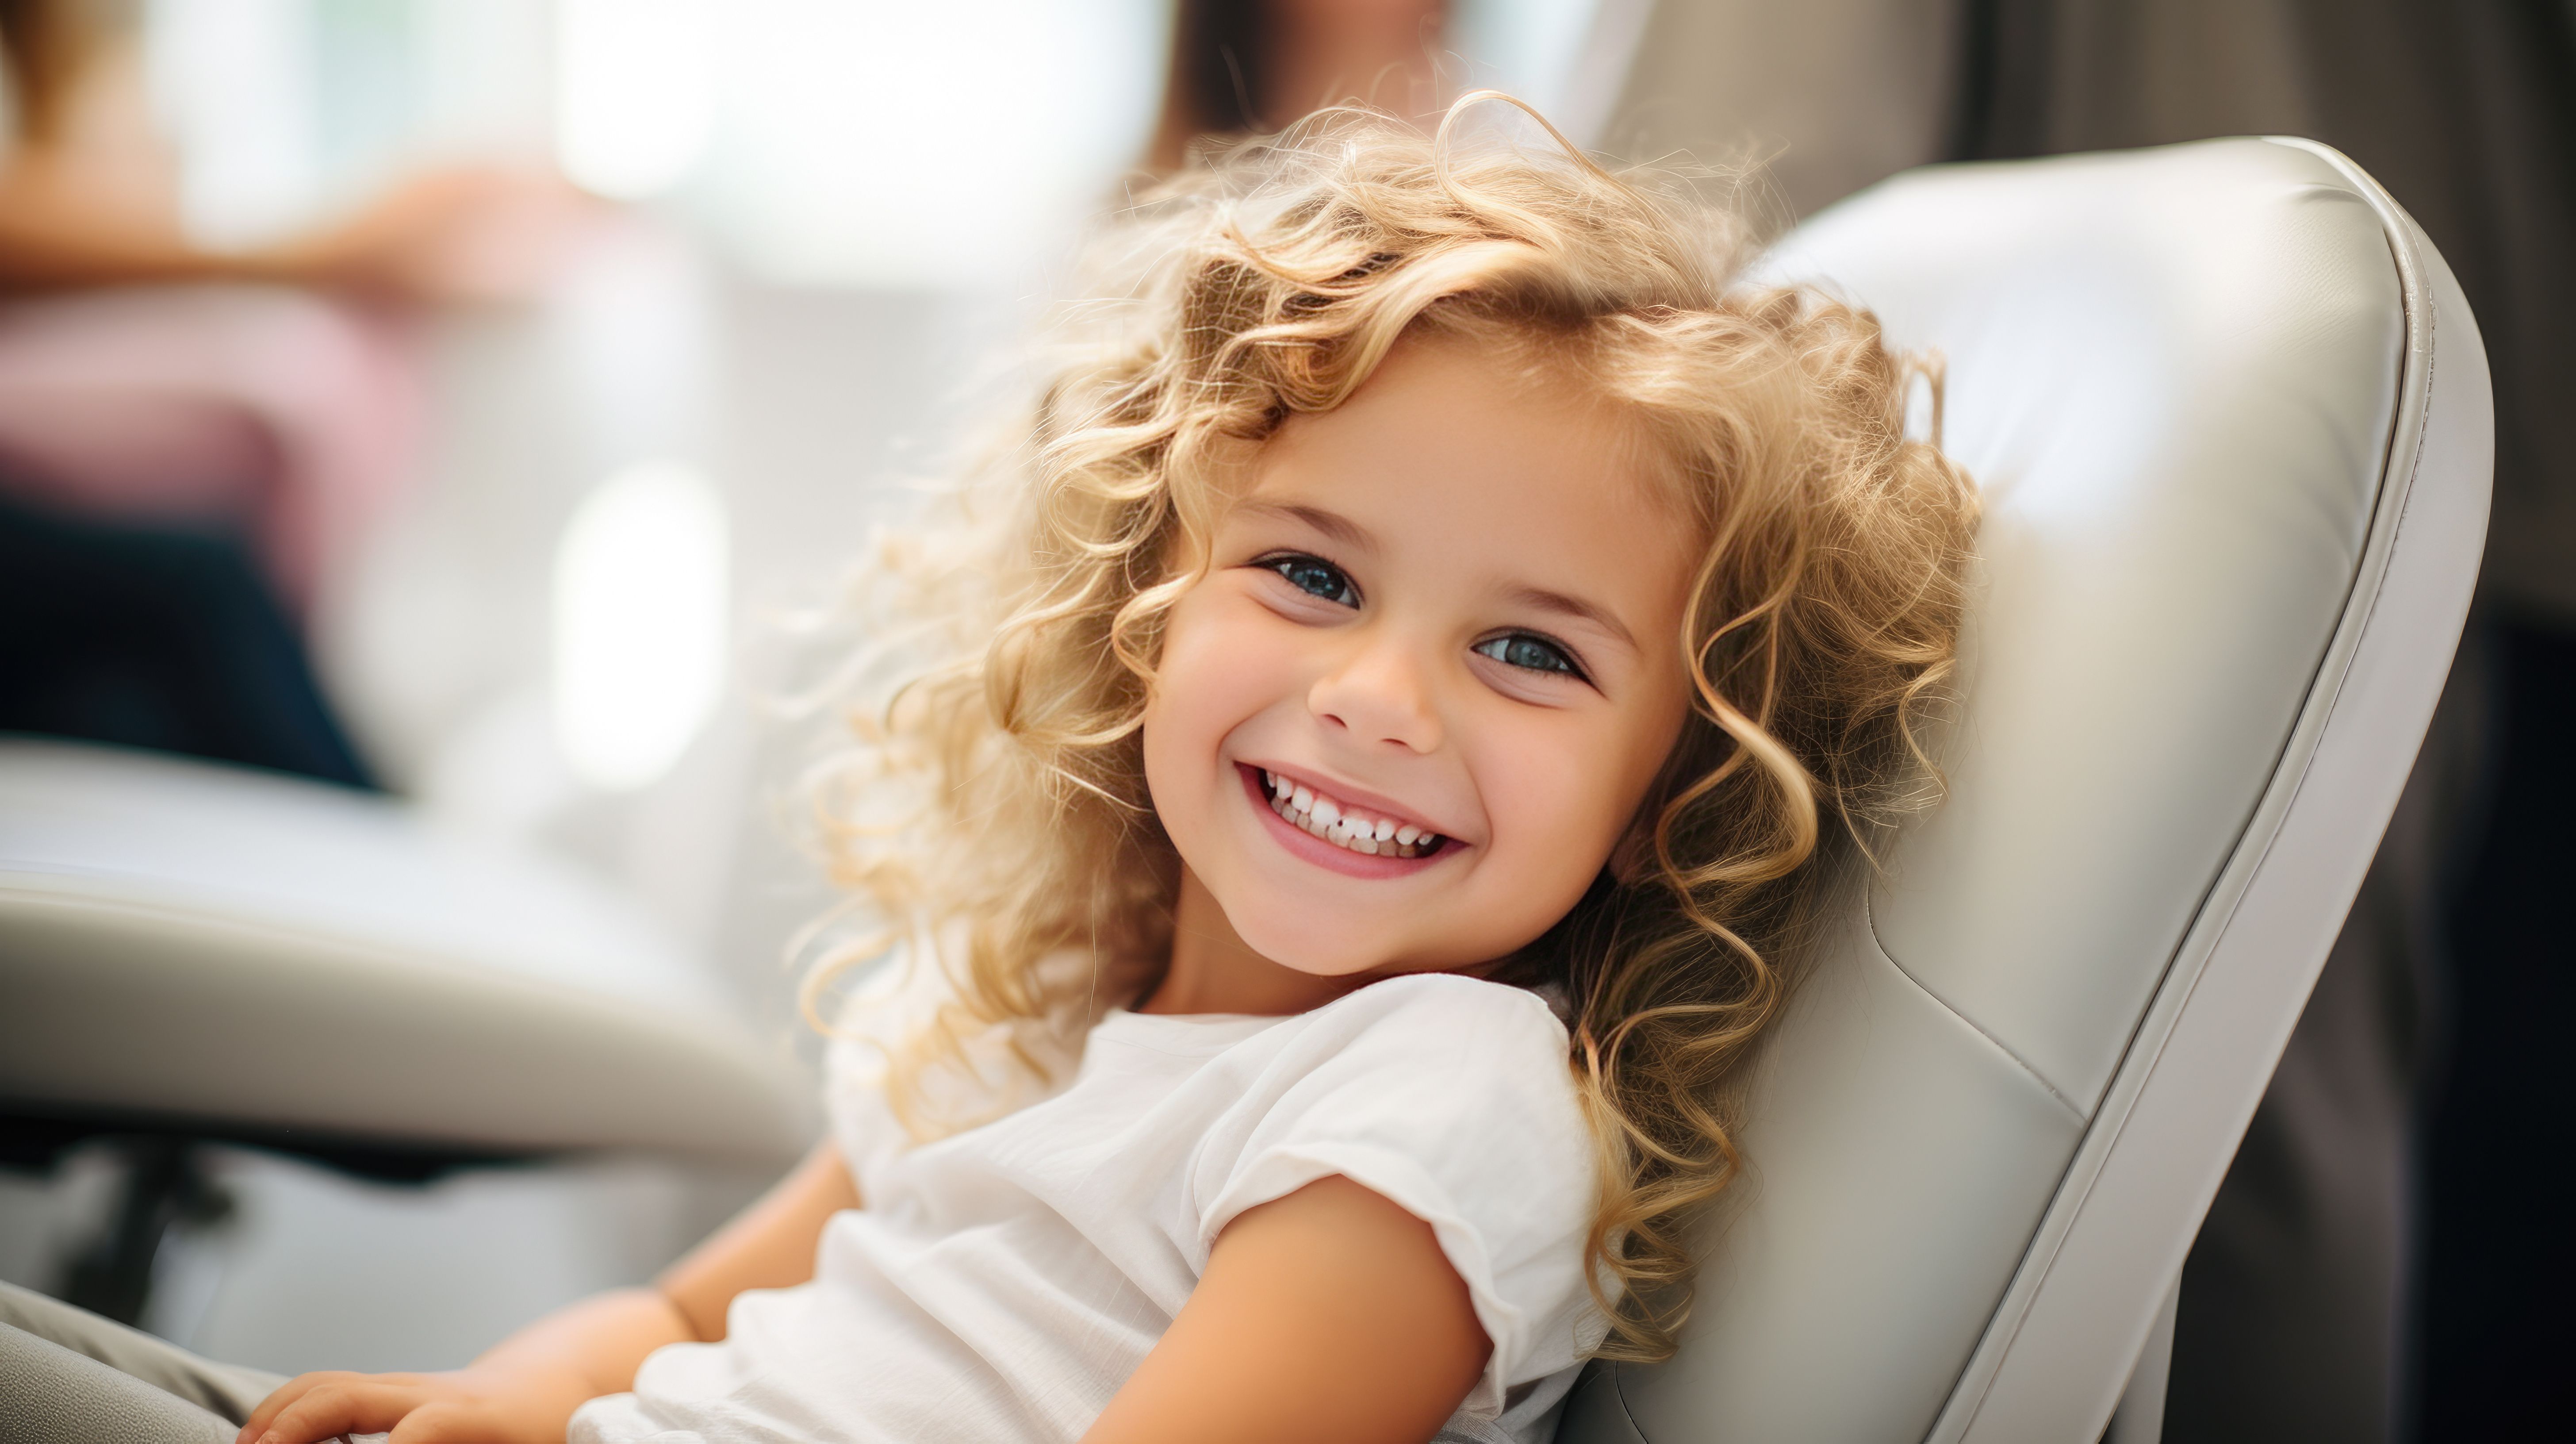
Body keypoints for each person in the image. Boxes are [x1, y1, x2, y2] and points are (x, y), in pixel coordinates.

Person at [0, 96, 1977, 1444]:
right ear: (1145, 616)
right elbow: (691, 1321)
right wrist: (516, 1395)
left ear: (1661, 792)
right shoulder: (1044, 1015)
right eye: (1305, 576)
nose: (1382, 697)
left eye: (1530, 651)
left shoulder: (1426, 1117)